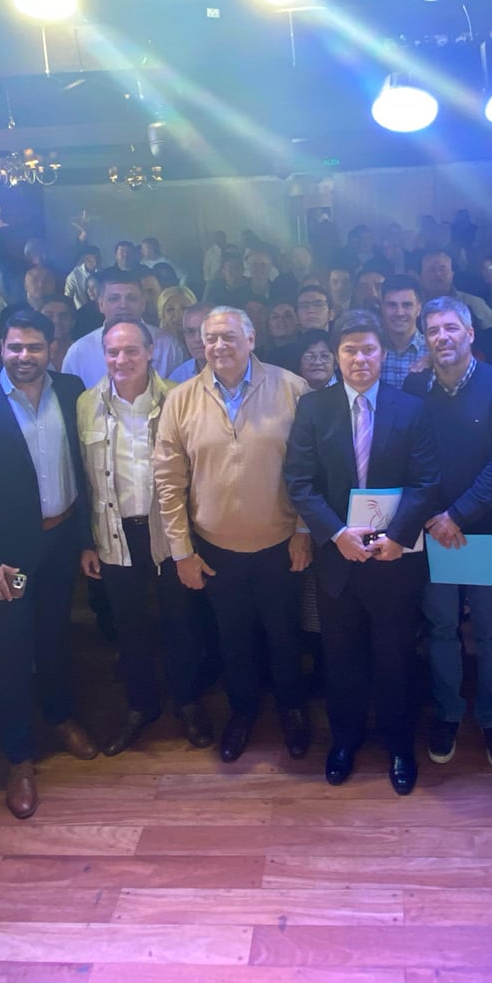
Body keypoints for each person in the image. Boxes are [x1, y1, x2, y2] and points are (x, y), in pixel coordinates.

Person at [0, 310, 94, 818]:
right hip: (9, 559)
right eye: (15, 348)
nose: (24, 357)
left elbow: (87, 469)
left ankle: (60, 716)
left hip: (62, 540)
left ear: (52, 347)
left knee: (54, 637)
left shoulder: (73, 392)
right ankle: (18, 757)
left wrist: (87, 538)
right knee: (11, 653)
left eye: (34, 347)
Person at [284, 310, 442, 793]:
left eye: (368, 349)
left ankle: (398, 744)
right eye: (350, 350)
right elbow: (299, 483)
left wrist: (397, 535)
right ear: (337, 355)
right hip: (339, 558)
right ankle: (345, 741)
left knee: (395, 655)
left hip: (395, 557)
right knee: (341, 656)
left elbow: (426, 482)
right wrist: (336, 534)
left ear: (383, 354)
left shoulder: (410, 408)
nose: (359, 358)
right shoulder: (314, 409)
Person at [153, 306, 313, 763]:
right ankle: (241, 712)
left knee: (284, 635)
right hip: (215, 548)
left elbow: (309, 470)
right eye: (211, 339)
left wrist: (303, 529)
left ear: (251, 339)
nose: (219, 346)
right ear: (200, 345)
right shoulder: (181, 399)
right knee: (232, 637)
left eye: (229, 337)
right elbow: (168, 481)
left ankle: (293, 712)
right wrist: (181, 550)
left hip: (281, 542)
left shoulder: (291, 389)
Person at [79, 319, 216, 754]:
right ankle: (141, 707)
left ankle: (188, 703)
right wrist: (86, 540)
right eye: (113, 352)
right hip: (115, 533)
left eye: (131, 351)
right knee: (130, 628)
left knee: (181, 622)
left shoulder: (179, 400)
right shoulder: (85, 404)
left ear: (151, 351)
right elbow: (80, 477)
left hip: (169, 530)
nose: (121, 360)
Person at [404, 298, 492, 771]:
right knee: (440, 629)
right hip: (434, 528)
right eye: (433, 330)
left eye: (451, 328)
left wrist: (459, 514)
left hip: (484, 530)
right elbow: (408, 454)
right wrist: (437, 516)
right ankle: (449, 713)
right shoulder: (415, 386)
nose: (442, 337)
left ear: (471, 333)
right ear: (425, 339)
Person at [62, 270, 189, 387]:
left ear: (143, 303)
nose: (123, 305)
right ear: (101, 304)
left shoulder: (168, 345)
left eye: (131, 298)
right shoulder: (79, 352)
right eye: (114, 299)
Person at [420, 249, 492, 363]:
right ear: (421, 276)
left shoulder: (474, 304)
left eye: (442, 269)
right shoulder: (410, 307)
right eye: (431, 270)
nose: (437, 274)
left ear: (452, 274)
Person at [377, 275, 429, 388]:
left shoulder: (433, 351)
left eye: (407, 305)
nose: (399, 312)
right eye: (392, 305)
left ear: (419, 308)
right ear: (382, 308)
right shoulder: (370, 350)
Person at [168, 302, 213, 384]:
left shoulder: (238, 370)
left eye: (204, 330)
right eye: (190, 331)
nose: (197, 339)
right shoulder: (178, 377)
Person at [66, 245, 102, 312]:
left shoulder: (102, 272)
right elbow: (67, 298)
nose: (98, 261)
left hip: (99, 310)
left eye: (99, 258)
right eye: (96, 258)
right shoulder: (74, 275)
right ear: (86, 259)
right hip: (80, 311)